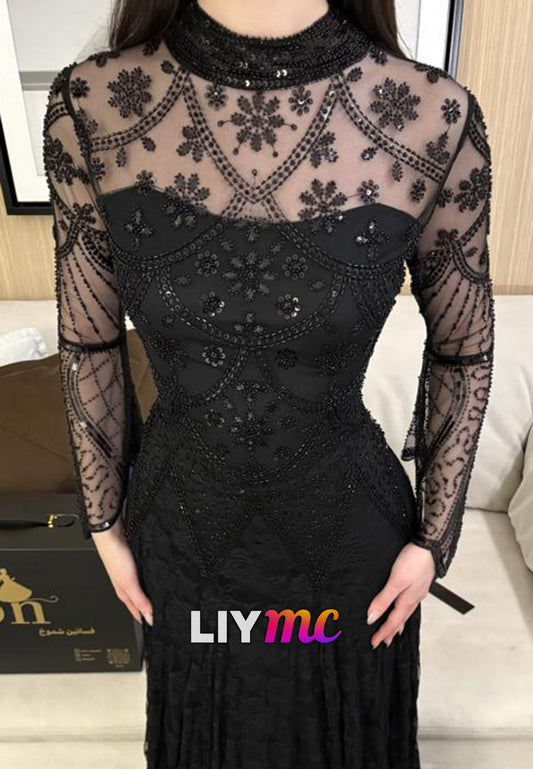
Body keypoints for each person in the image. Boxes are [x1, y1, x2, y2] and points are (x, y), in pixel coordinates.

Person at [42, 0, 494, 765]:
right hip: (182, 531)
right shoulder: (91, 104)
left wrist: (432, 540)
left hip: (348, 545)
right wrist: (102, 521)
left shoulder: (431, 115)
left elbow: (463, 349)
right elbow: (89, 339)